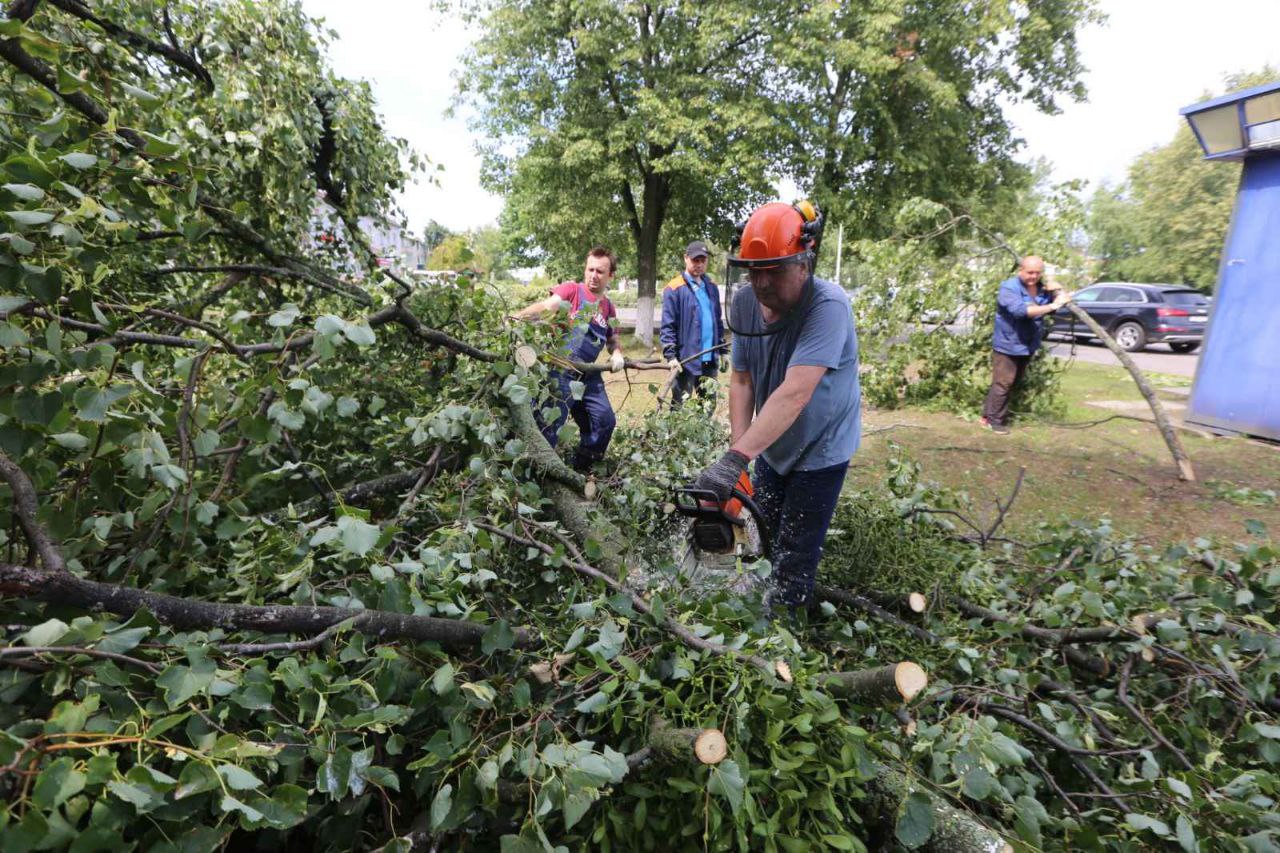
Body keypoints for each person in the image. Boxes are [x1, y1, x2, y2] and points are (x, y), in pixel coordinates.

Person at [689, 201, 861, 612]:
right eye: (754, 270)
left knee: (794, 553)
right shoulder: (747, 301)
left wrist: (737, 457)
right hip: (773, 441)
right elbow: (743, 379)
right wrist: (738, 460)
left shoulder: (828, 306)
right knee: (763, 536)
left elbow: (795, 392)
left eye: (774, 271)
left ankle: (785, 640)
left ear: (804, 262)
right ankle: (755, 615)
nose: (762, 283)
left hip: (822, 447)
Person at [512, 246, 626, 470]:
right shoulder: (572, 291)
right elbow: (547, 307)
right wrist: (517, 318)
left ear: (611, 275)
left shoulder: (608, 308)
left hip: (588, 373)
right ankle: (537, 474)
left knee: (604, 421)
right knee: (549, 425)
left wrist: (618, 353)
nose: (594, 275)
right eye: (590, 269)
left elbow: (612, 339)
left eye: (600, 271)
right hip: (561, 368)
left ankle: (581, 471)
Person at [981, 255, 1071, 434]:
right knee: (1003, 383)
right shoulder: (1008, 287)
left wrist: (1059, 290)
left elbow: (1063, 302)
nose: (1033, 276)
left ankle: (987, 415)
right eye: (1030, 272)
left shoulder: (1042, 288)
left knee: (1011, 382)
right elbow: (1021, 311)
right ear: (1020, 270)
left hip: (1028, 344)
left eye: (1037, 273)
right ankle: (994, 421)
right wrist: (1053, 306)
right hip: (1008, 343)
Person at [660, 240, 725, 405]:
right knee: (680, 408)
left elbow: (717, 320)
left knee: (708, 405)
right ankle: (676, 432)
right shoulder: (674, 288)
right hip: (686, 360)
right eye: (696, 260)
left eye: (703, 261)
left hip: (709, 359)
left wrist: (722, 349)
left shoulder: (711, 287)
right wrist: (670, 356)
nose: (700, 264)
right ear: (685, 258)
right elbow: (668, 325)